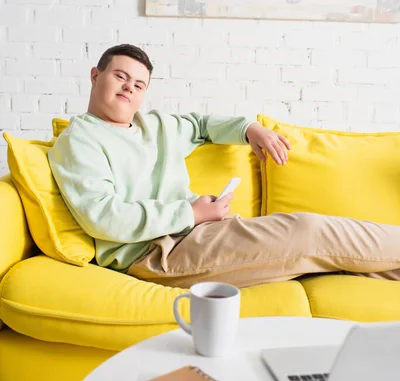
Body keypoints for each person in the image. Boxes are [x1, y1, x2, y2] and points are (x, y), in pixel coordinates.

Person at [49, 44, 400, 288]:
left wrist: (250, 129)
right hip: (156, 253)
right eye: (120, 77)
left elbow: (202, 125)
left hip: (195, 236)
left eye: (139, 84)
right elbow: (103, 217)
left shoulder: (155, 126)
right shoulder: (79, 140)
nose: (129, 88)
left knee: (327, 263)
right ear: (96, 76)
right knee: (307, 231)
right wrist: (191, 214)